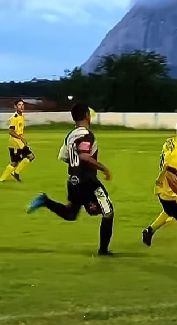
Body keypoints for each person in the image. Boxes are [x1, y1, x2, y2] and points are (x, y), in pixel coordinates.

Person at [25, 103, 114, 256]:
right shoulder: (86, 134)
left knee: (71, 213)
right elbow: (84, 155)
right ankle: (103, 251)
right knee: (108, 213)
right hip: (88, 181)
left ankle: (46, 201)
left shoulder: (70, 135)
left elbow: (64, 157)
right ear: (87, 115)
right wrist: (103, 168)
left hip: (73, 181)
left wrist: (76, 168)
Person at [142, 117, 177, 257]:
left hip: (162, 190)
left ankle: (150, 231)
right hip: (171, 194)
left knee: (169, 212)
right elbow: (170, 176)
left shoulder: (170, 142)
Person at [0, 99, 35, 183]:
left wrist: (22, 138)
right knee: (30, 156)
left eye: (22, 105)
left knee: (14, 162)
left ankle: (2, 179)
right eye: (19, 105)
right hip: (15, 143)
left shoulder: (22, 116)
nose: (21, 106)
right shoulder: (14, 118)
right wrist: (21, 138)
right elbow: (11, 131)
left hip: (19, 142)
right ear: (15, 107)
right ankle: (15, 173)